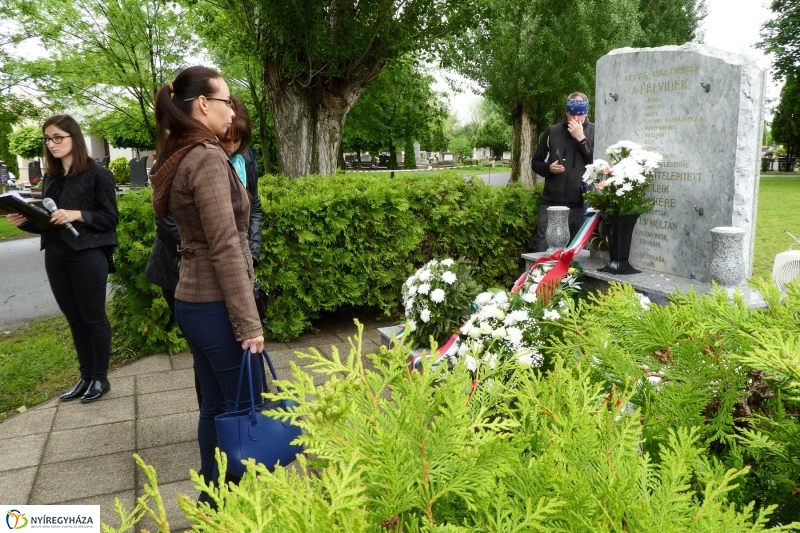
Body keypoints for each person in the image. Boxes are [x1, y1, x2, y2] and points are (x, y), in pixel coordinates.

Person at [149, 66, 264, 487]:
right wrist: (249, 323)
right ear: (202, 104)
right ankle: (235, 501)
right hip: (216, 305)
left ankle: (213, 496)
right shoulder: (206, 157)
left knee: (215, 406)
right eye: (226, 102)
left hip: (193, 301)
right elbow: (226, 246)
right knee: (245, 406)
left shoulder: (179, 152)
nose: (232, 112)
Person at [7, 115, 118, 403]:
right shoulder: (52, 177)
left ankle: (100, 378)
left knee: (93, 317)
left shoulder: (98, 174)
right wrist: (25, 222)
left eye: (58, 137)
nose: (52, 144)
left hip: (88, 254)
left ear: (74, 138)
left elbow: (109, 219)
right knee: (75, 319)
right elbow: (49, 222)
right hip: (56, 255)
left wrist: (78, 214)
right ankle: (85, 376)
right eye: (48, 139)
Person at [530, 92, 595, 252]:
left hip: (580, 206)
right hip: (552, 204)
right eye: (572, 114)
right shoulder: (553, 131)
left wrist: (581, 139)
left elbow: (596, 163)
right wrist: (549, 169)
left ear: (586, 112)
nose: (576, 118)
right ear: (566, 112)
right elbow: (536, 162)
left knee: (577, 255)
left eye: (580, 114)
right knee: (542, 250)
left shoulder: (594, 132)